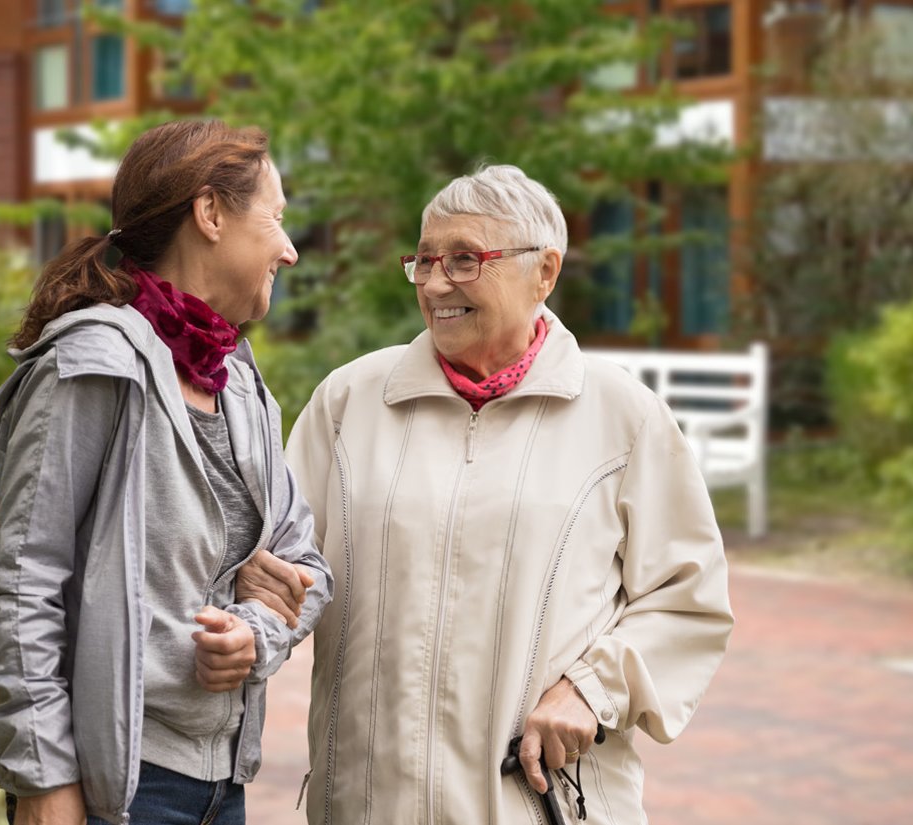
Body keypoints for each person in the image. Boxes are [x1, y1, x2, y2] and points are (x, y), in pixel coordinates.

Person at [244, 164, 734, 823]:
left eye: (466, 259)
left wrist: (592, 689)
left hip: (537, 803)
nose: (437, 282)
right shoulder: (350, 400)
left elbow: (687, 598)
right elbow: (276, 565)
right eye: (424, 260)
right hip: (368, 804)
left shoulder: (623, 415)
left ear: (545, 271)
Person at [0, 119, 332, 825]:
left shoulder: (237, 379)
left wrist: (255, 631)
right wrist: (43, 779)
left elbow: (305, 566)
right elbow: (22, 585)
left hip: (221, 787)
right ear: (210, 213)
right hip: (114, 789)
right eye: (276, 218)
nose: (289, 251)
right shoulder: (92, 366)